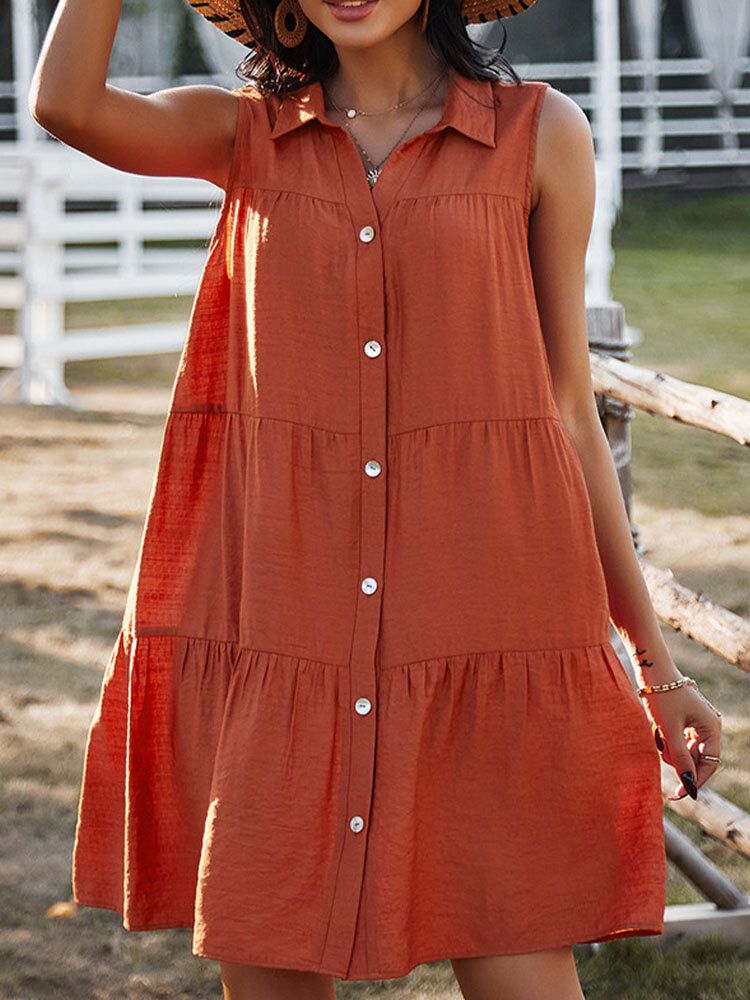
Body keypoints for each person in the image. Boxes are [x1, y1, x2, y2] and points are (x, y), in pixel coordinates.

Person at [29, 0, 723, 998]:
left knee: (520, 965)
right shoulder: (245, 134)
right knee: (270, 959)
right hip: (286, 626)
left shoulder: (538, 133)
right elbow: (68, 104)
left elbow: (567, 413)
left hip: (485, 625)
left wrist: (657, 669)